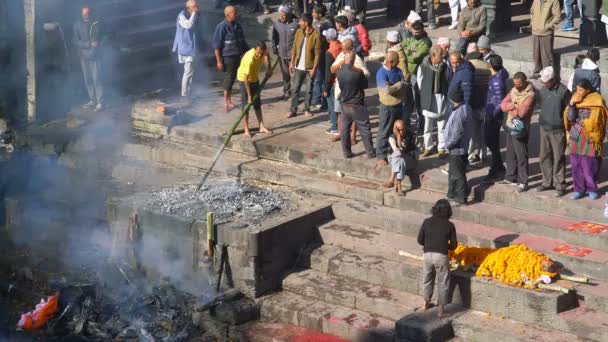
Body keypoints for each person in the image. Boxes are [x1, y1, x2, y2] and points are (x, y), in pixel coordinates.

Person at [564, 79, 608, 200]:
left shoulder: (597, 100)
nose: (578, 92)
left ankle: (592, 189)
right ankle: (579, 189)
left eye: (581, 90)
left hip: (591, 136)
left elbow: (604, 118)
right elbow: (570, 118)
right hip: (576, 134)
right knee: (576, 164)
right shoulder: (574, 98)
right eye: (577, 89)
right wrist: (572, 104)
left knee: (589, 165)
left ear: (588, 90)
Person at [417, 199, 458, 318]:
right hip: (441, 256)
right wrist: (445, 246)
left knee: (427, 278)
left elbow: (420, 240)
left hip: (427, 255)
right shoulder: (450, 225)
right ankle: (441, 310)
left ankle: (425, 303)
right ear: (448, 211)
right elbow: (454, 245)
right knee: (443, 281)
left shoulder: (426, 221)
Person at [536, 66, 571, 197]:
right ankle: (546, 182)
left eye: (546, 82)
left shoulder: (564, 92)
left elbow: (569, 111)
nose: (544, 84)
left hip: (558, 130)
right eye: (543, 82)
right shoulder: (542, 90)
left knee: (558, 158)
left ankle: (560, 184)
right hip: (544, 128)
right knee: (544, 156)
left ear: (553, 80)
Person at [499, 72, 536, 192]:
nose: (516, 86)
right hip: (510, 125)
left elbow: (521, 113)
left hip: (520, 128)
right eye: (515, 84)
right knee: (510, 153)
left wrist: (511, 109)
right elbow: (503, 105)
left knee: (521, 155)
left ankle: (523, 181)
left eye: (519, 84)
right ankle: (510, 177)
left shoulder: (530, 94)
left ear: (524, 82)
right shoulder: (513, 90)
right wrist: (514, 106)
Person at [336, 51, 375, 159]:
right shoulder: (358, 72)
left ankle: (347, 153)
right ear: (353, 60)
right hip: (357, 104)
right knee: (364, 129)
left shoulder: (339, 71)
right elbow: (364, 85)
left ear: (344, 59)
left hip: (344, 103)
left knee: (344, 129)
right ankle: (370, 152)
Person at [331, 38, 370, 144]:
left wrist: (354, 72)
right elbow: (332, 69)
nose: (343, 51)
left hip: (353, 93)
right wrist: (342, 63)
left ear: (351, 49)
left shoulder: (356, 59)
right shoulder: (340, 56)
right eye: (342, 49)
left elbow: (366, 73)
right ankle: (341, 134)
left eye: (345, 49)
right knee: (339, 113)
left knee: (354, 116)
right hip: (340, 91)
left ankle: (353, 136)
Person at [213, 5, 249, 112]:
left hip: (239, 56)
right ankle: (226, 103)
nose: (236, 14)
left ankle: (230, 100)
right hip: (228, 57)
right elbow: (216, 46)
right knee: (229, 79)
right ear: (228, 14)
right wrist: (219, 61)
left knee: (236, 78)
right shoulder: (221, 27)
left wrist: (248, 53)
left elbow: (243, 41)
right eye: (234, 12)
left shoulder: (237, 25)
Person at [287, 13, 322, 118]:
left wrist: (314, 68)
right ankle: (293, 110)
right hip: (298, 66)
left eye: (301, 21)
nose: (299, 23)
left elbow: (317, 54)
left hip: (310, 68)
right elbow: (294, 48)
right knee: (295, 89)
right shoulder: (298, 32)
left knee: (309, 90)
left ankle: (307, 109)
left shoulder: (316, 35)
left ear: (306, 23)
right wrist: (292, 62)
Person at [376, 51, 408, 167]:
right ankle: (381, 154)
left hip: (398, 105)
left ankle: (395, 149)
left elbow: (404, 84)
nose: (399, 63)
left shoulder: (398, 70)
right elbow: (388, 90)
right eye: (397, 61)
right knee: (384, 131)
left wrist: (397, 85)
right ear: (390, 62)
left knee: (397, 130)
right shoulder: (381, 73)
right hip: (387, 107)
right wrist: (398, 85)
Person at [236, 41, 273, 138]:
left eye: (262, 52)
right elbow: (246, 79)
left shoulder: (263, 52)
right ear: (255, 49)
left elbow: (267, 55)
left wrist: (269, 69)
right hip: (244, 80)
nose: (260, 54)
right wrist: (249, 96)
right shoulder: (249, 58)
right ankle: (246, 129)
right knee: (246, 106)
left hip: (255, 78)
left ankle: (261, 126)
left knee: (257, 104)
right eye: (258, 52)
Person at [418, 45, 450, 158]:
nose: (443, 56)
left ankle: (441, 149)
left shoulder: (445, 66)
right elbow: (420, 84)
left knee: (442, 126)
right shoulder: (423, 67)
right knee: (428, 127)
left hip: (441, 99)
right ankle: (428, 147)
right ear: (433, 55)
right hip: (428, 99)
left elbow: (448, 80)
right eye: (441, 54)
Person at [444, 88, 474, 206]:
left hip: (456, 148)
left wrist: (448, 145)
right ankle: (451, 194)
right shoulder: (465, 107)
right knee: (453, 172)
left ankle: (460, 198)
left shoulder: (459, 113)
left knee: (458, 174)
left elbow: (456, 134)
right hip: (461, 148)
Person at [402, 20, 432, 136]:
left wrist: (408, 53)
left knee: (418, 101)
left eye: (417, 32)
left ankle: (421, 125)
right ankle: (407, 124)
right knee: (407, 101)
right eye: (413, 32)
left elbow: (415, 57)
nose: (414, 34)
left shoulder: (426, 42)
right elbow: (402, 47)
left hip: (418, 74)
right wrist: (408, 52)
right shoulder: (410, 37)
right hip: (407, 73)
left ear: (422, 30)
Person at [483, 55, 508, 183]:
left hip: (493, 115)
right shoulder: (501, 74)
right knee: (493, 143)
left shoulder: (497, 81)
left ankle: (495, 169)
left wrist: (492, 115)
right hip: (491, 112)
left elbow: (499, 101)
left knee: (491, 142)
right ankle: (498, 166)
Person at [73, 6, 104, 112]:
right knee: (88, 80)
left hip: (95, 55)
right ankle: (92, 100)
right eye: (84, 14)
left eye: (87, 14)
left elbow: (105, 37)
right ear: (81, 15)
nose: (86, 16)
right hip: (84, 56)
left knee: (97, 79)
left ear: (91, 14)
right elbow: (75, 41)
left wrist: (99, 44)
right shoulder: (77, 25)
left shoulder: (96, 23)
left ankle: (100, 102)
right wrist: (88, 44)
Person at [466, 49, 490, 163]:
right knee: (484, 132)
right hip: (485, 103)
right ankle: (483, 154)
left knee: (473, 133)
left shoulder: (469, 67)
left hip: (473, 104)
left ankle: (472, 155)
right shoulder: (488, 66)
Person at [173, 1, 199, 106]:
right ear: (189, 8)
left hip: (190, 46)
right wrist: (193, 14)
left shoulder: (193, 14)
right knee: (188, 72)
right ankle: (184, 95)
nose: (197, 8)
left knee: (190, 71)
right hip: (185, 48)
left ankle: (188, 93)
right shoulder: (182, 16)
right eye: (195, 6)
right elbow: (188, 25)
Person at [384, 120, 419, 195]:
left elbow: (401, 150)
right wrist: (398, 136)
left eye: (403, 129)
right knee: (400, 159)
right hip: (397, 160)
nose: (401, 132)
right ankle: (399, 184)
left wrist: (398, 136)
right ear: (394, 129)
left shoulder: (410, 135)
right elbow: (398, 151)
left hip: (410, 160)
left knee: (399, 157)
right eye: (398, 130)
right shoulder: (391, 137)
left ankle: (392, 179)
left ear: (405, 128)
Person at [272, 5, 299, 100]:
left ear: (289, 15)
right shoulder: (277, 24)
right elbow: (274, 37)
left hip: (294, 55)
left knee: (295, 77)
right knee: (285, 75)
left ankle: (296, 94)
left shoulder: (296, 24)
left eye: (284, 15)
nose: (281, 17)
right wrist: (274, 47)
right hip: (282, 54)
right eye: (280, 15)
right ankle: (287, 92)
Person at [529, 0, 560, 79]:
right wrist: (532, 22)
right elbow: (532, 12)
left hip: (546, 33)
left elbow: (557, 17)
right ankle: (537, 72)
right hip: (535, 31)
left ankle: (549, 76)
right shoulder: (536, 0)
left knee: (546, 56)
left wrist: (548, 26)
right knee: (536, 54)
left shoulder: (554, 1)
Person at [311, 4, 333, 111]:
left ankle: (323, 101)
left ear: (319, 14)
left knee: (322, 76)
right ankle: (316, 99)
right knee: (317, 76)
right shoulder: (315, 22)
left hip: (325, 53)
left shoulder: (327, 24)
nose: (312, 14)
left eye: (314, 12)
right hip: (317, 52)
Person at [323, 28, 342, 137]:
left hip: (334, 82)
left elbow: (328, 72)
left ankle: (335, 126)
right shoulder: (341, 46)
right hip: (342, 80)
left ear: (328, 38)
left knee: (332, 105)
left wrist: (325, 88)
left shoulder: (330, 52)